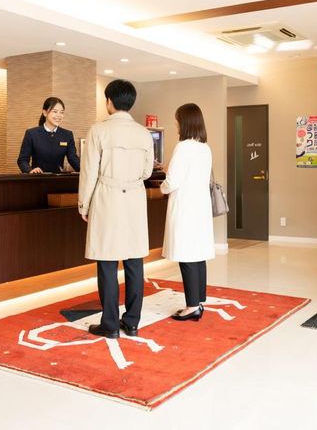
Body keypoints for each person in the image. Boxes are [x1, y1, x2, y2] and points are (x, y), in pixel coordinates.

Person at [73, 80, 154, 339]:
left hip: (107, 197)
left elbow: (89, 173)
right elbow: (147, 171)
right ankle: (132, 322)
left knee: (107, 261)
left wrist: (84, 204)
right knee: (134, 260)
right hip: (134, 199)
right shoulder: (143, 133)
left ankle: (109, 324)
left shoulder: (98, 131)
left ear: (109, 101)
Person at [160, 103, 215, 321]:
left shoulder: (183, 147)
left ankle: (192, 306)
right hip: (200, 207)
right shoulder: (205, 147)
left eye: (177, 120)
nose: (175, 124)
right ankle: (198, 301)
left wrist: (162, 185)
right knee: (197, 254)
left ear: (185, 122)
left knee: (186, 256)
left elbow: (172, 181)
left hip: (185, 208)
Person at [17, 97, 80, 174]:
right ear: (45, 113)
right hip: (38, 178)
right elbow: (22, 160)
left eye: (61, 112)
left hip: (58, 179)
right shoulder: (32, 134)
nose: (59, 115)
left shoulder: (67, 135)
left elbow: (73, 159)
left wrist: (87, 170)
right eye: (55, 111)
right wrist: (30, 170)